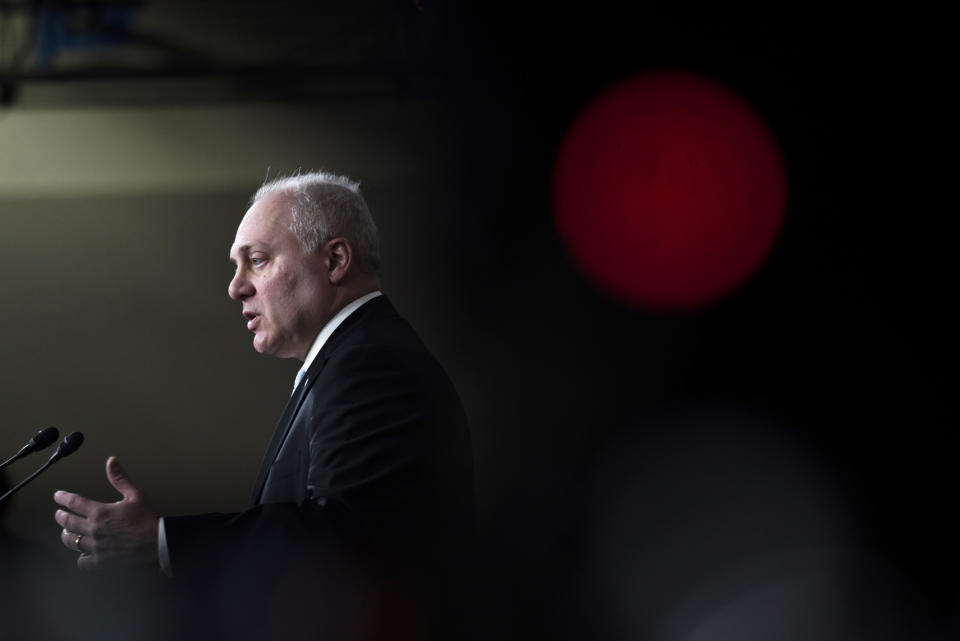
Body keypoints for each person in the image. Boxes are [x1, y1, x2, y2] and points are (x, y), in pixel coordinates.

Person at [52, 172, 475, 639]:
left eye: (256, 261)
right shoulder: (351, 358)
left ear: (335, 259)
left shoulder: (370, 362)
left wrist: (161, 541)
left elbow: (340, 538)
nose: (236, 288)